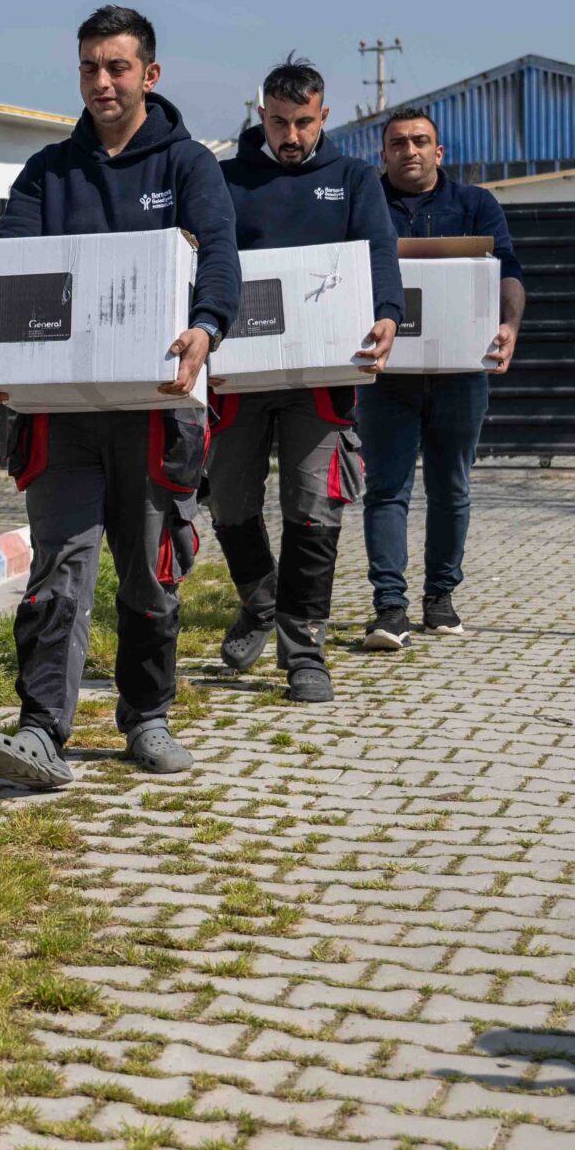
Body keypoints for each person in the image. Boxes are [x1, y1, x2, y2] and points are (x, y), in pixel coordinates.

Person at [0, 6, 240, 789]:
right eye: (89, 66)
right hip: (61, 413)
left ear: (149, 74)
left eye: (117, 66)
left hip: (156, 406)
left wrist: (207, 325)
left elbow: (220, 255)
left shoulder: (187, 167)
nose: (101, 81)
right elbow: (9, 265)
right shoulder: (49, 172)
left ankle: (146, 714)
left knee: (151, 570)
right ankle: (40, 729)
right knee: (60, 565)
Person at [210, 58, 402, 704]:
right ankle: (261, 600)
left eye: (303, 123)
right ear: (261, 114)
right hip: (239, 372)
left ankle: (304, 651)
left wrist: (387, 313)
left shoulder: (353, 180)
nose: (291, 136)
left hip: (322, 376)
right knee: (228, 501)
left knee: (313, 508)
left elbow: (378, 252)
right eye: (278, 122)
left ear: (324, 117)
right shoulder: (225, 179)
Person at [357, 108, 526, 647]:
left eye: (420, 141)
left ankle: (440, 597)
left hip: (460, 373)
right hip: (385, 374)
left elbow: (508, 270)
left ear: (438, 151)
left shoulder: (475, 205)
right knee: (387, 489)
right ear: (383, 153)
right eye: (398, 143)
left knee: (451, 487)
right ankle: (389, 607)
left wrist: (509, 326)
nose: (409, 150)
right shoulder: (365, 204)